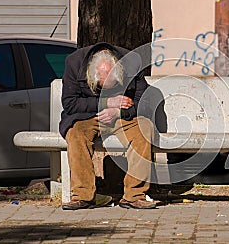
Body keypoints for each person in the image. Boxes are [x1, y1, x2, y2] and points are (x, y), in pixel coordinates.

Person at [59, 42, 156, 210]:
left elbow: (145, 103)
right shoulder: (74, 63)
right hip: (88, 115)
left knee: (144, 129)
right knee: (76, 134)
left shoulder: (133, 62)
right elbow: (70, 104)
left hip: (124, 114)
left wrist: (119, 112)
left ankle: (134, 195)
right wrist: (107, 102)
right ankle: (82, 196)